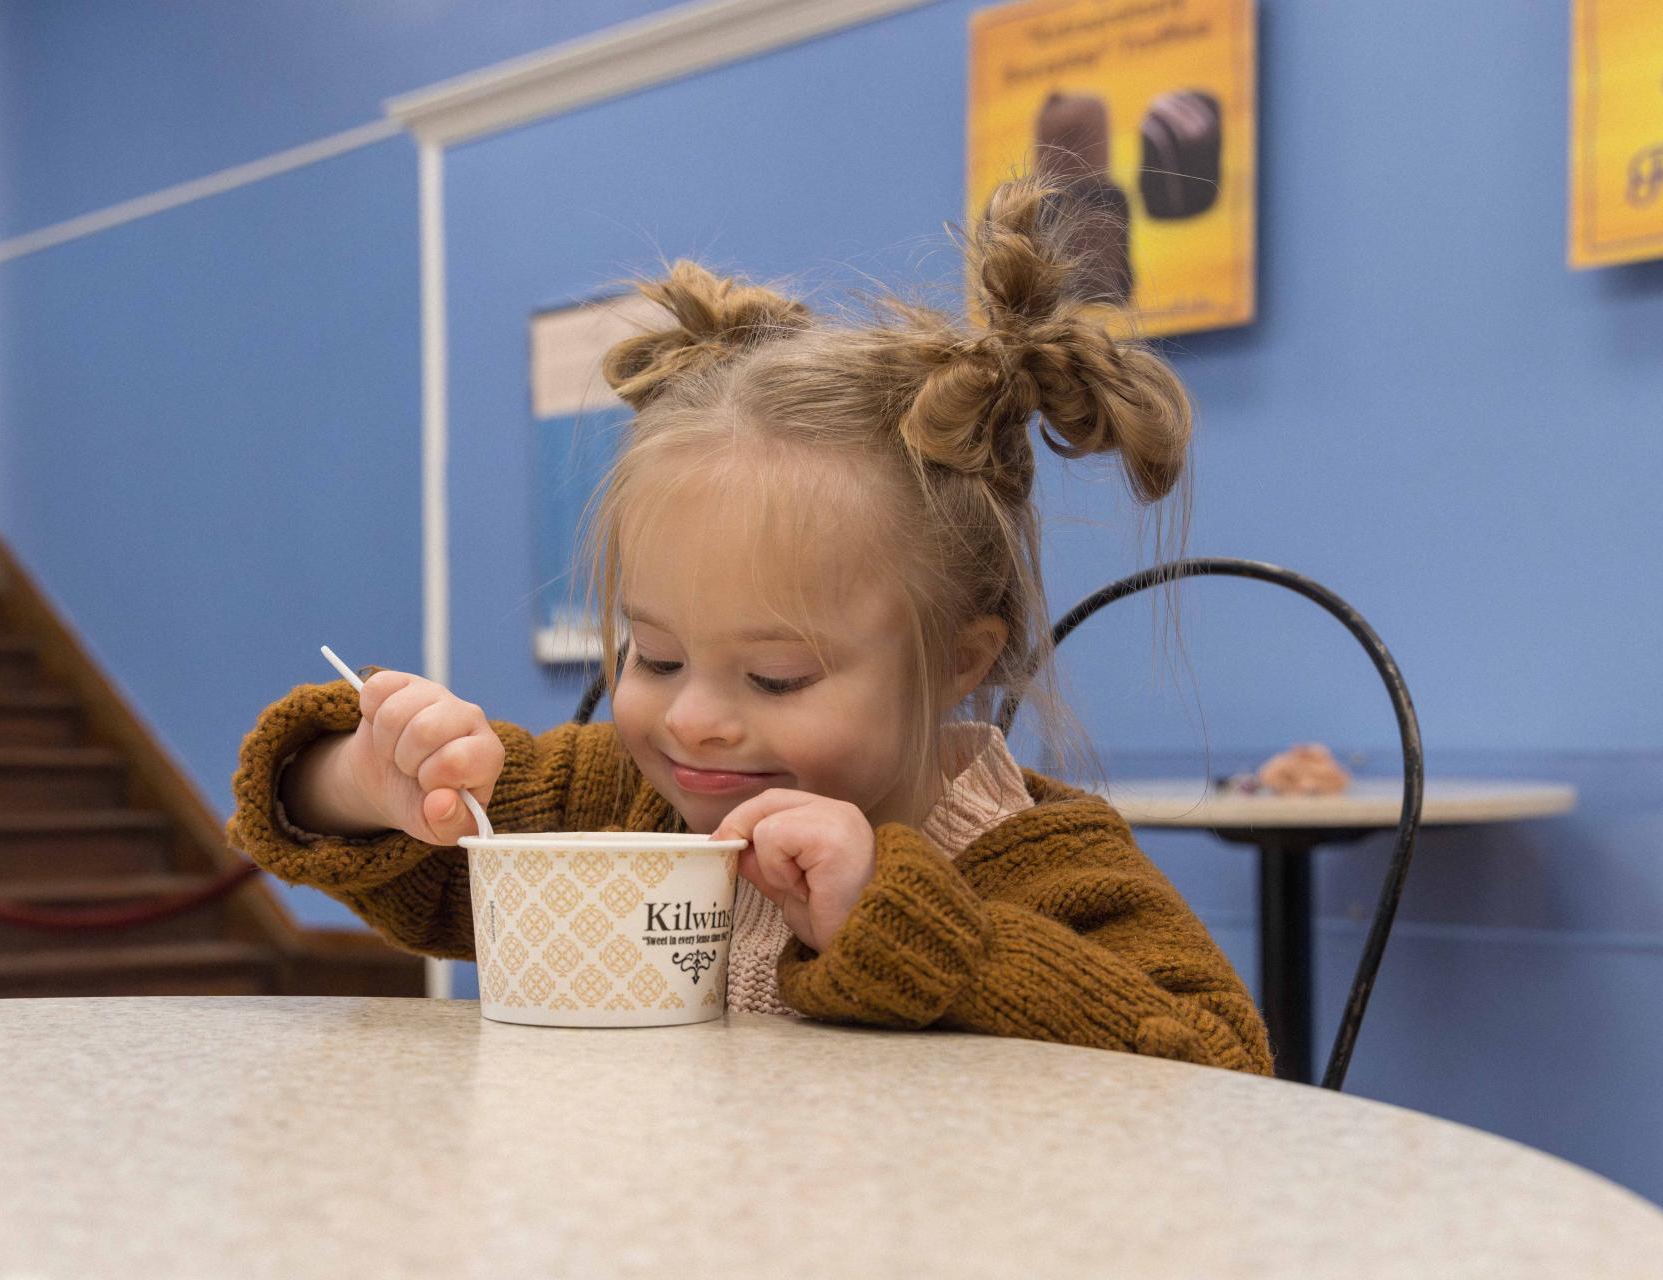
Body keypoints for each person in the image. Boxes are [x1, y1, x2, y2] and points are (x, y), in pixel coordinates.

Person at [226, 173, 1272, 1075]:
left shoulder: (1040, 860)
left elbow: (1218, 1069)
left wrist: (900, 924)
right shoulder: (620, 807)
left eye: (775, 677)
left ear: (958, 661)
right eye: (658, 654)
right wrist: (366, 780)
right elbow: (380, 841)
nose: (695, 721)